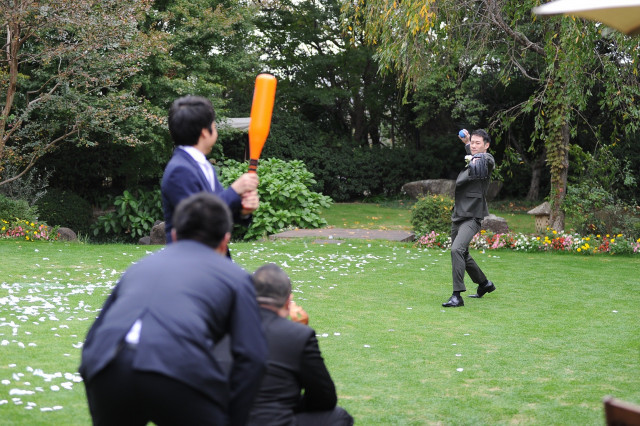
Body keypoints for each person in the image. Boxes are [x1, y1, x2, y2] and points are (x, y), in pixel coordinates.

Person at [79, 192, 268, 425]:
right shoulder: (236, 278)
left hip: (106, 364)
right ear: (224, 240)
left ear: (175, 235)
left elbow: (95, 332)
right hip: (175, 367)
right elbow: (253, 357)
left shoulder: (139, 268)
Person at [247, 263, 354, 426]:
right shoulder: (298, 335)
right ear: (289, 300)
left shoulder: (223, 328)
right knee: (339, 417)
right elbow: (324, 398)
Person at [161, 95, 260, 243]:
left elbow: (218, 205)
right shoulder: (179, 170)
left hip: (211, 258)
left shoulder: (202, 164)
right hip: (192, 261)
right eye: (214, 125)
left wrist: (242, 210)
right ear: (204, 132)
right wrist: (235, 190)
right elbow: (199, 221)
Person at [442, 129, 497, 308]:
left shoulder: (486, 161)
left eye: (477, 143)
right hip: (458, 214)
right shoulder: (473, 155)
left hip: (472, 216)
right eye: (472, 142)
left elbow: (485, 160)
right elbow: (473, 154)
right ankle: (484, 284)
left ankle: (457, 295)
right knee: (463, 253)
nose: (474, 146)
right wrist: (467, 142)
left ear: (486, 145)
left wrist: (480, 155)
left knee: (456, 250)